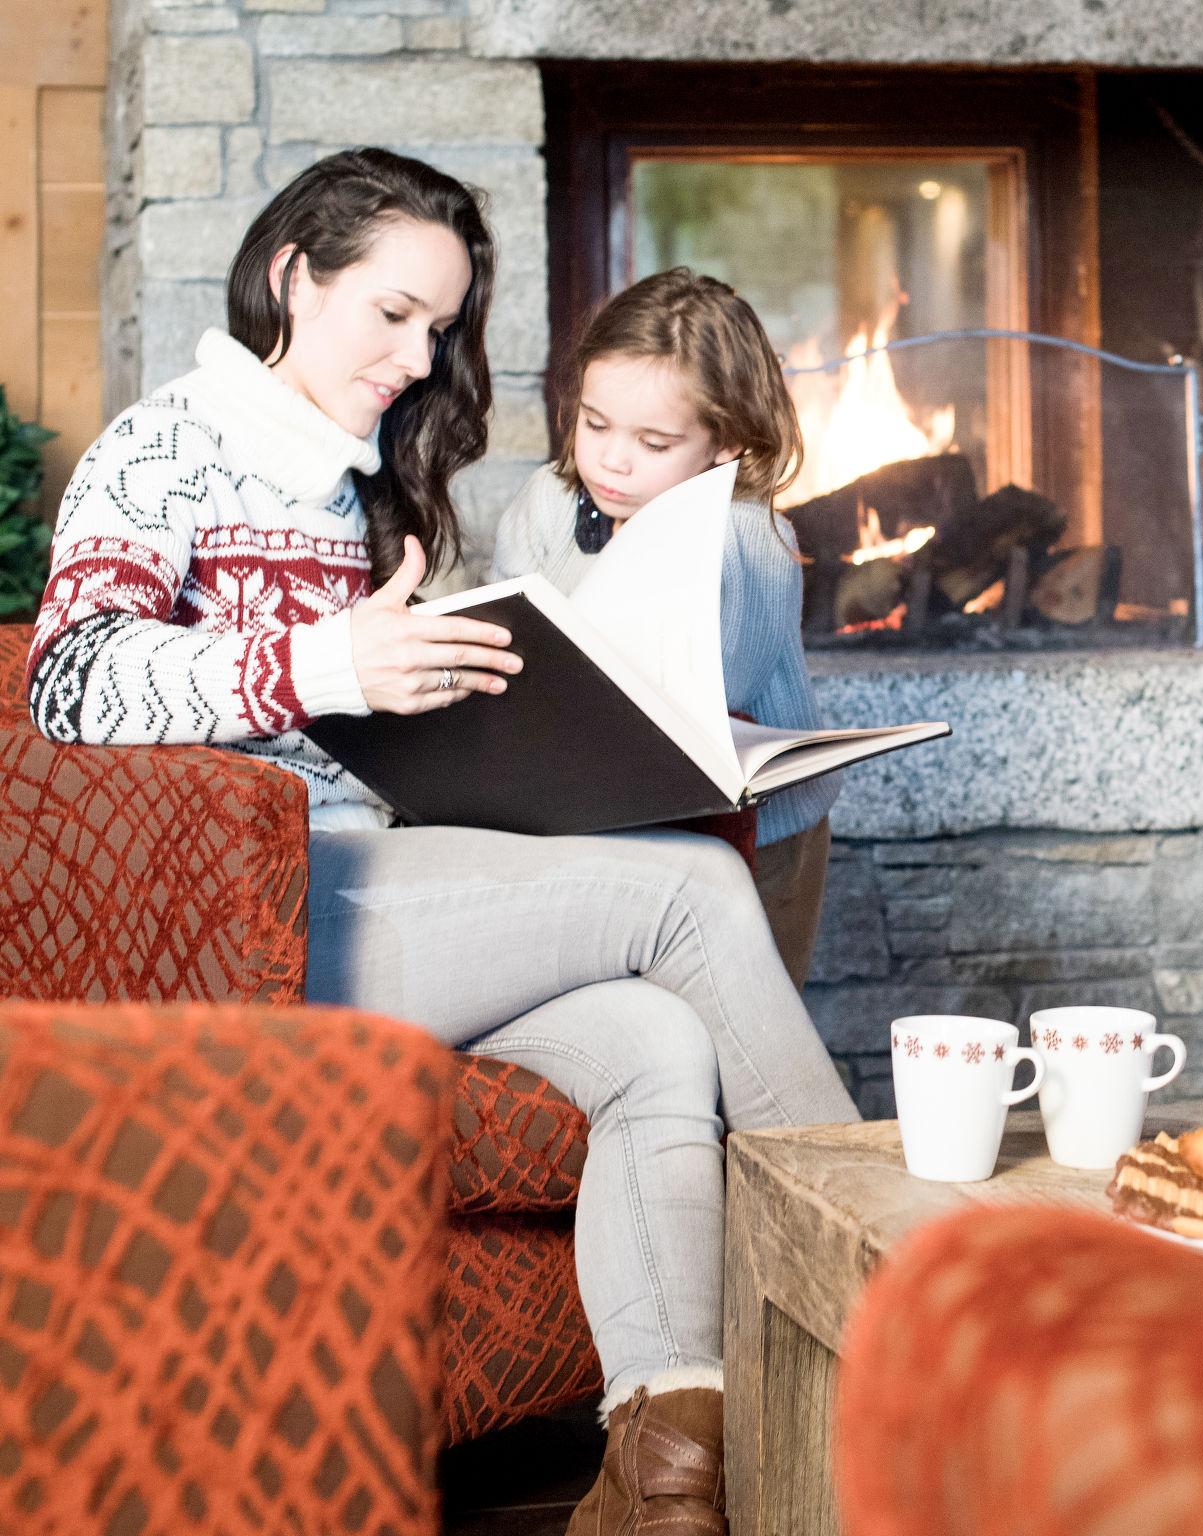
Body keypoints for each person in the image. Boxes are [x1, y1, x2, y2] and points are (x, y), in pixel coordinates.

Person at [26, 146, 853, 1536]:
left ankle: (665, 1484)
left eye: (442, 327)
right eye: (393, 314)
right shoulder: (168, 447)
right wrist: (334, 659)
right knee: (698, 892)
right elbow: (70, 682)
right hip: (267, 918)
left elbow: (382, 721)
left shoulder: (350, 474)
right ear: (296, 275)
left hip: (386, 876)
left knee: (658, 1041)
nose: (420, 356)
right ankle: (909, 1292)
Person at [490, 268, 835, 988]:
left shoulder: (749, 540)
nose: (612, 460)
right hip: (590, 815)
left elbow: (694, 690)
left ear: (726, 444)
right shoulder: (548, 503)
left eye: (653, 442)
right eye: (595, 423)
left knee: (739, 1031)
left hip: (755, 833)